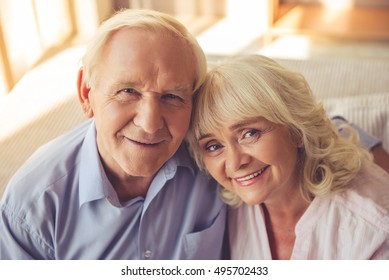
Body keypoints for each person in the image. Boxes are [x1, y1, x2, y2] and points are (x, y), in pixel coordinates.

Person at [0, 9, 227, 260]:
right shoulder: (30, 207)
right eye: (128, 91)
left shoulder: (218, 159)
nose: (150, 124)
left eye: (172, 96)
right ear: (87, 94)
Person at [187, 54, 389, 259]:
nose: (234, 163)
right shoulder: (222, 211)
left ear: (297, 131)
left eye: (250, 133)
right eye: (213, 146)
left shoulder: (373, 231)